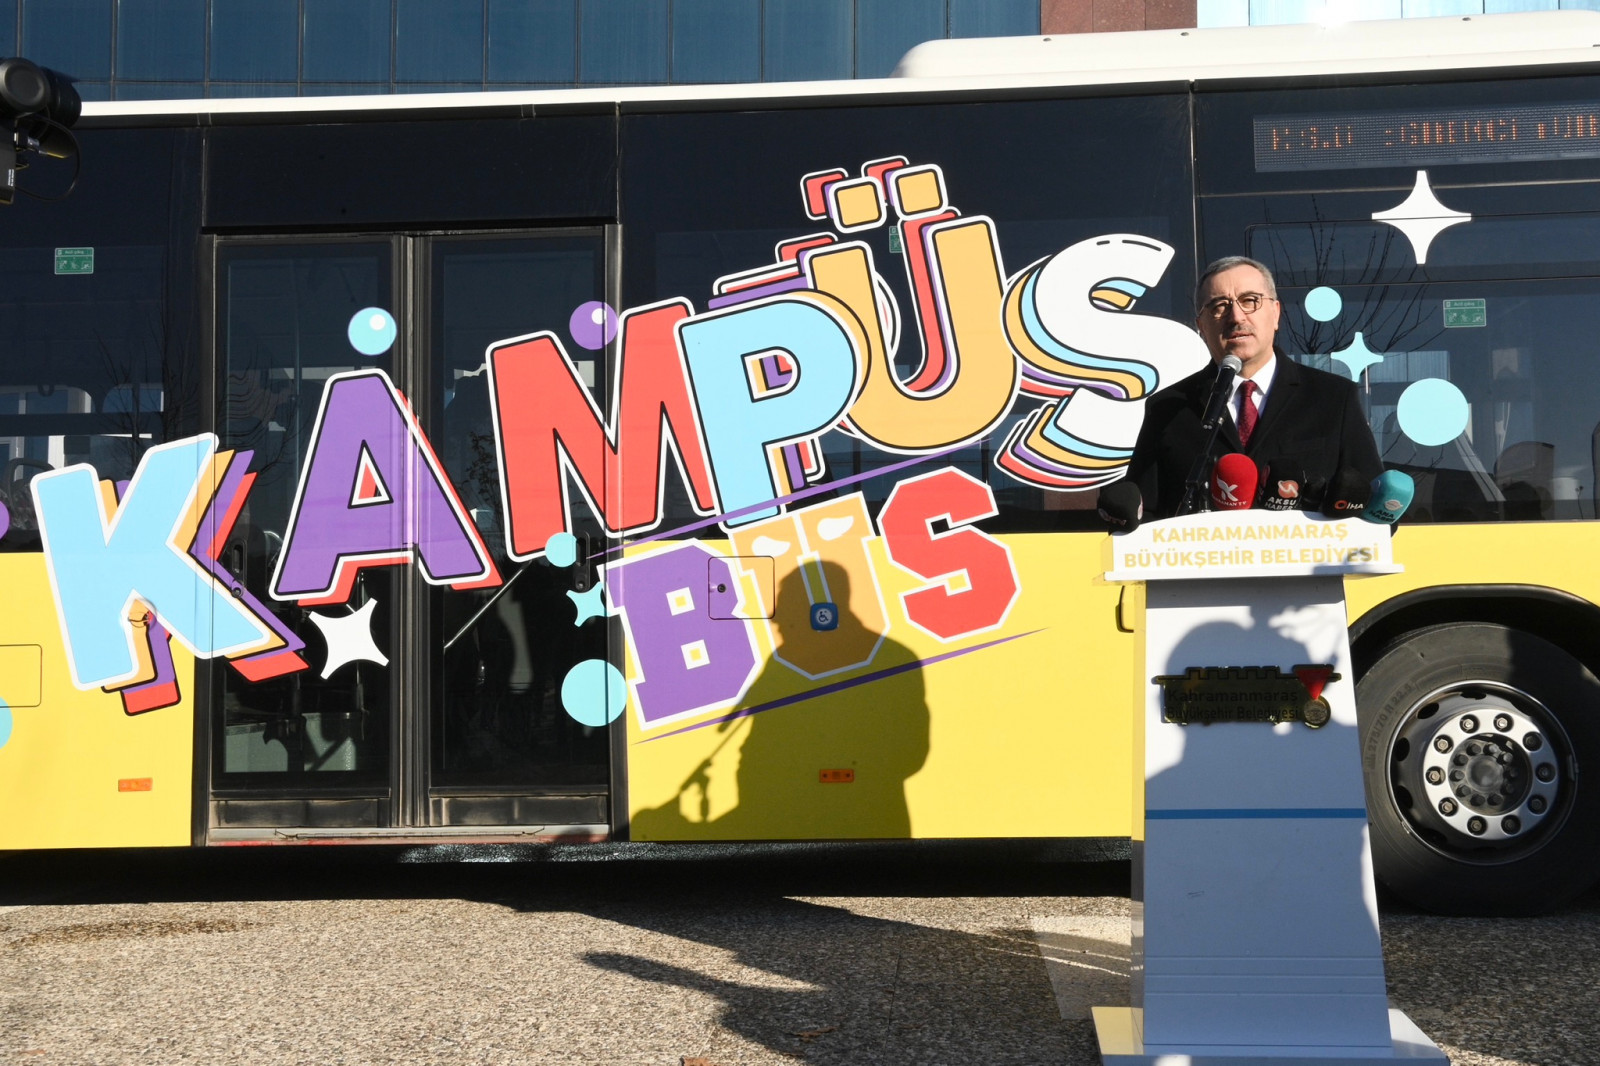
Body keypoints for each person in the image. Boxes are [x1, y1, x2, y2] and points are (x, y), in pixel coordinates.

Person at [1125, 256, 1382, 518]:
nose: (1236, 317)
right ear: (1201, 326)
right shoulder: (1168, 409)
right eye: (1219, 306)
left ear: (1276, 313)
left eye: (1249, 301)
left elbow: (1374, 509)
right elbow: (1144, 515)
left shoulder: (1334, 398)